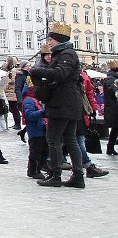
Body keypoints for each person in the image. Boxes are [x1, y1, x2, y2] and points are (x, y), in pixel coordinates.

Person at [29, 21, 85, 188]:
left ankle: (56, 174)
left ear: (58, 39)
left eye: (51, 39)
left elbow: (60, 74)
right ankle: (78, 176)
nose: (49, 42)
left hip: (62, 102)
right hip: (68, 102)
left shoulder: (66, 54)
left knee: (53, 139)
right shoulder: (64, 53)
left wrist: (37, 71)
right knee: (70, 139)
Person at [76, 68, 109, 178]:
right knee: (73, 141)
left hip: (80, 111)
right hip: (70, 111)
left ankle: (83, 167)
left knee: (77, 140)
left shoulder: (83, 75)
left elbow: (89, 92)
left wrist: (93, 108)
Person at [21, 76, 48, 178]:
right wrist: (43, 112)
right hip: (35, 130)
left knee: (44, 151)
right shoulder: (29, 100)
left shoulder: (36, 99)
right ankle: (33, 171)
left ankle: (38, 169)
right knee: (35, 152)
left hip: (41, 129)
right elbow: (29, 116)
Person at [1, 57, 22, 129]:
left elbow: (13, 80)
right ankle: (17, 124)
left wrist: (5, 79)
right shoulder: (14, 70)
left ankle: (17, 124)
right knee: (14, 109)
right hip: (11, 92)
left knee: (14, 109)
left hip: (12, 92)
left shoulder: (13, 70)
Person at [104, 60, 118, 155]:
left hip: (114, 108)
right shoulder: (110, 79)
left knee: (115, 129)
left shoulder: (112, 78)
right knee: (115, 128)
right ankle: (110, 148)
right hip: (114, 108)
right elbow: (113, 91)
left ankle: (110, 148)